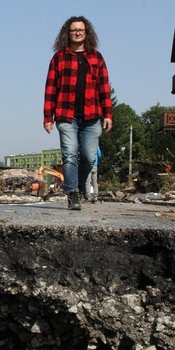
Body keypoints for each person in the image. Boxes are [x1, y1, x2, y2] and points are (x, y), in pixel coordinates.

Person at [43, 16, 112, 211]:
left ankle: (81, 183)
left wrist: (108, 114)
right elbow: (50, 89)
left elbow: (104, 88)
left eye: (81, 30)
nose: (78, 33)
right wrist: (48, 116)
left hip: (92, 115)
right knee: (70, 154)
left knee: (90, 157)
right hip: (66, 115)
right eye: (74, 30)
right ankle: (72, 193)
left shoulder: (96, 57)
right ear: (68, 33)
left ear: (87, 32)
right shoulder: (59, 58)